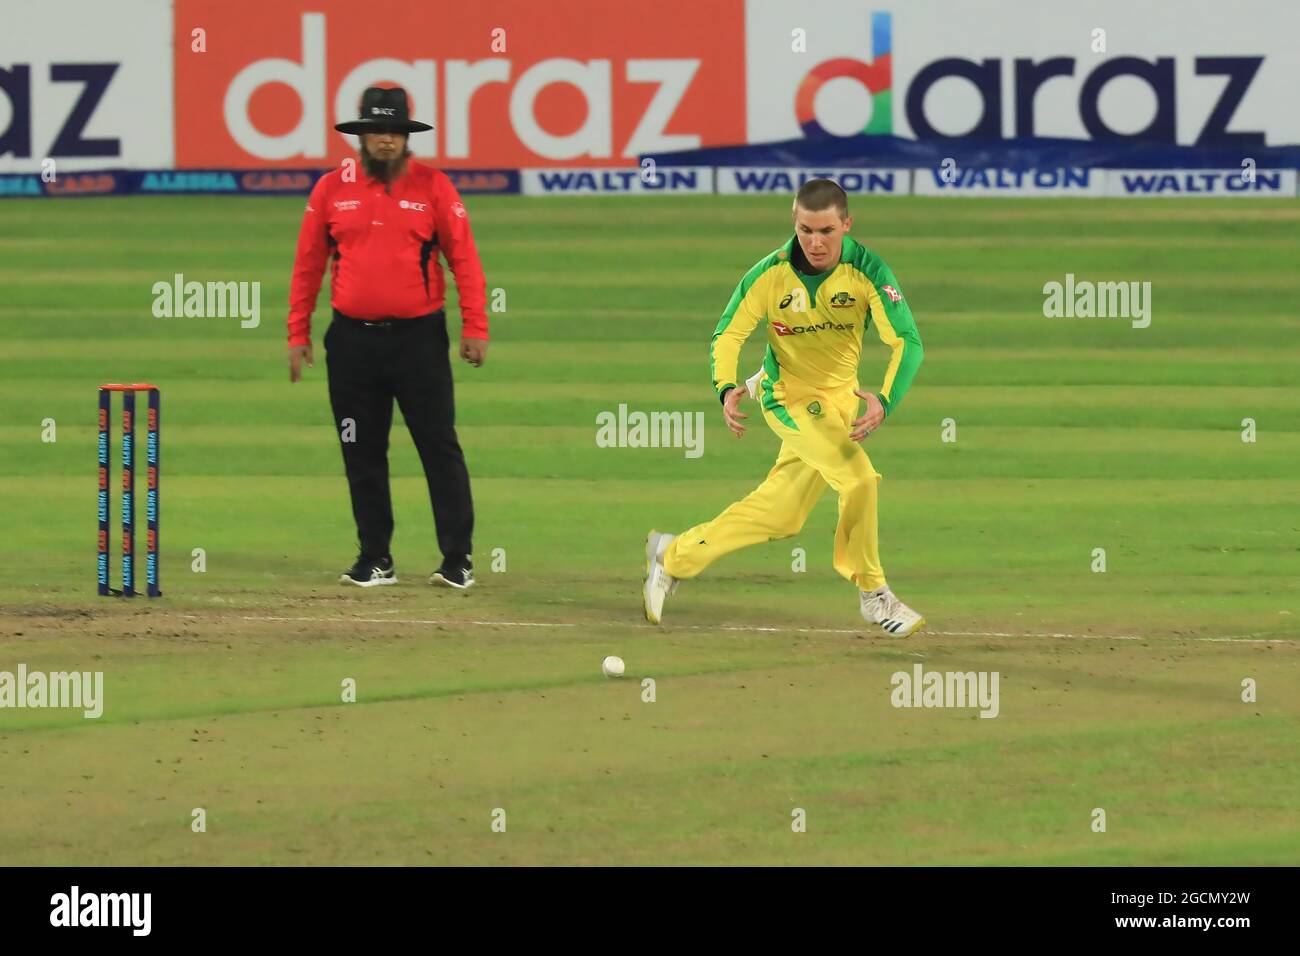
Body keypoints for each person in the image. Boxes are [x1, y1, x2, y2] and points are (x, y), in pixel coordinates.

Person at [643, 178, 926, 636]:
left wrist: (886, 400)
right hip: (788, 399)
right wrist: (726, 387)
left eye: (827, 231)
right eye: (806, 230)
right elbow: (727, 334)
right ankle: (875, 595)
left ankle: (673, 555)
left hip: (841, 404)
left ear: (846, 225)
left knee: (782, 516)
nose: (815, 242)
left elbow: (908, 343)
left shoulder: (868, 272)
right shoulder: (769, 274)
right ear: (794, 224)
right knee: (858, 479)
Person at [287, 86, 488, 589]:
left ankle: (457, 559)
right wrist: (298, 332)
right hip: (351, 345)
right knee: (361, 450)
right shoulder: (331, 189)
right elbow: (309, 264)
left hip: (418, 341)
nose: (386, 141)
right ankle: (375, 557)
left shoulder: (434, 187)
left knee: (438, 446)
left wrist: (475, 326)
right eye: (377, 131)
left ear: (406, 137)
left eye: (394, 132)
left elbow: (464, 258)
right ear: (362, 135)